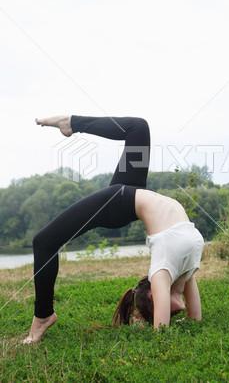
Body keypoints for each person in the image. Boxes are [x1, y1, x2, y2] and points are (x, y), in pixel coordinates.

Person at [22, 115, 204, 343]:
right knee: (138, 127)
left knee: (44, 242)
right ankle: (71, 123)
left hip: (118, 203)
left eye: (170, 310)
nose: (179, 310)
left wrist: (145, 319)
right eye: (176, 310)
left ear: (153, 295)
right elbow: (195, 318)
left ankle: (43, 315)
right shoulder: (185, 271)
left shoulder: (163, 270)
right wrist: (164, 314)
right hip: (130, 195)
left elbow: (161, 333)